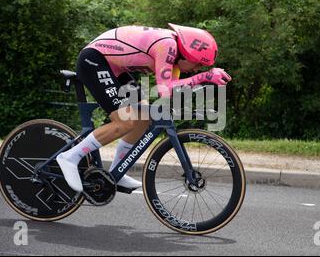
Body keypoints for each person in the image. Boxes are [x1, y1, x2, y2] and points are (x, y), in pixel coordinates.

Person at [56, 24, 232, 193]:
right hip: (94, 60)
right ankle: (69, 157)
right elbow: (166, 88)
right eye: (197, 64)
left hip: (114, 67)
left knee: (143, 117)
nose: (196, 68)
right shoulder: (167, 46)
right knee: (125, 121)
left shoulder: (175, 57)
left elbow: (169, 92)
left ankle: (118, 171)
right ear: (185, 54)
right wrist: (205, 76)